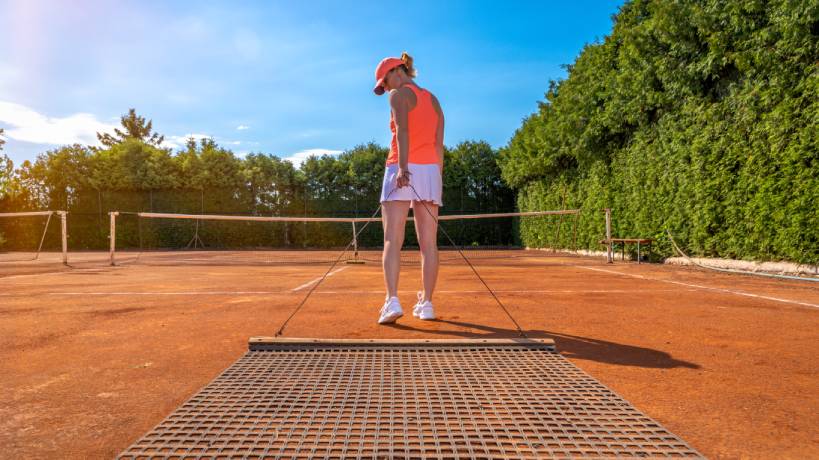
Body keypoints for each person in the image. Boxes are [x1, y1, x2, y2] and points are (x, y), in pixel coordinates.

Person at [373, 52, 445, 325]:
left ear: (396, 71)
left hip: (400, 168)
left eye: (386, 81)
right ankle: (426, 304)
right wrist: (436, 177)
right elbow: (439, 145)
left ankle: (392, 300)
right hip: (430, 171)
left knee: (393, 239)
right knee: (429, 244)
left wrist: (403, 168)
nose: (387, 88)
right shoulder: (434, 100)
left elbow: (402, 130)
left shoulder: (398, 96)